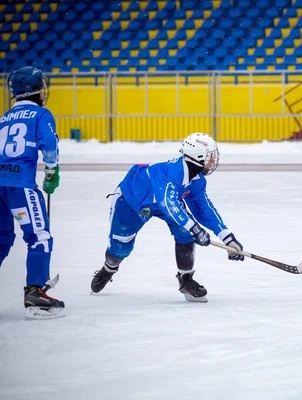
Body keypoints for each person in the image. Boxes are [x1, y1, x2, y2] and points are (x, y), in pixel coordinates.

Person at [90, 133, 244, 302]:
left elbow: (203, 209)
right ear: (197, 157)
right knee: (120, 248)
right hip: (132, 201)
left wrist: (227, 238)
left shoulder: (197, 180)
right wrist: (195, 228)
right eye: (210, 157)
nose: (213, 161)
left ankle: (186, 280)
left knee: (185, 233)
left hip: (166, 205)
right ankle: (109, 268)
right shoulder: (172, 173)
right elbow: (168, 204)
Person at [0, 66, 64, 319]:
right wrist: (51, 172)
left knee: (2, 239)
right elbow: (48, 145)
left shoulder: (4, 117)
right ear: (35, 89)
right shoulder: (40, 114)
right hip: (20, 186)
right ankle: (35, 292)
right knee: (40, 237)